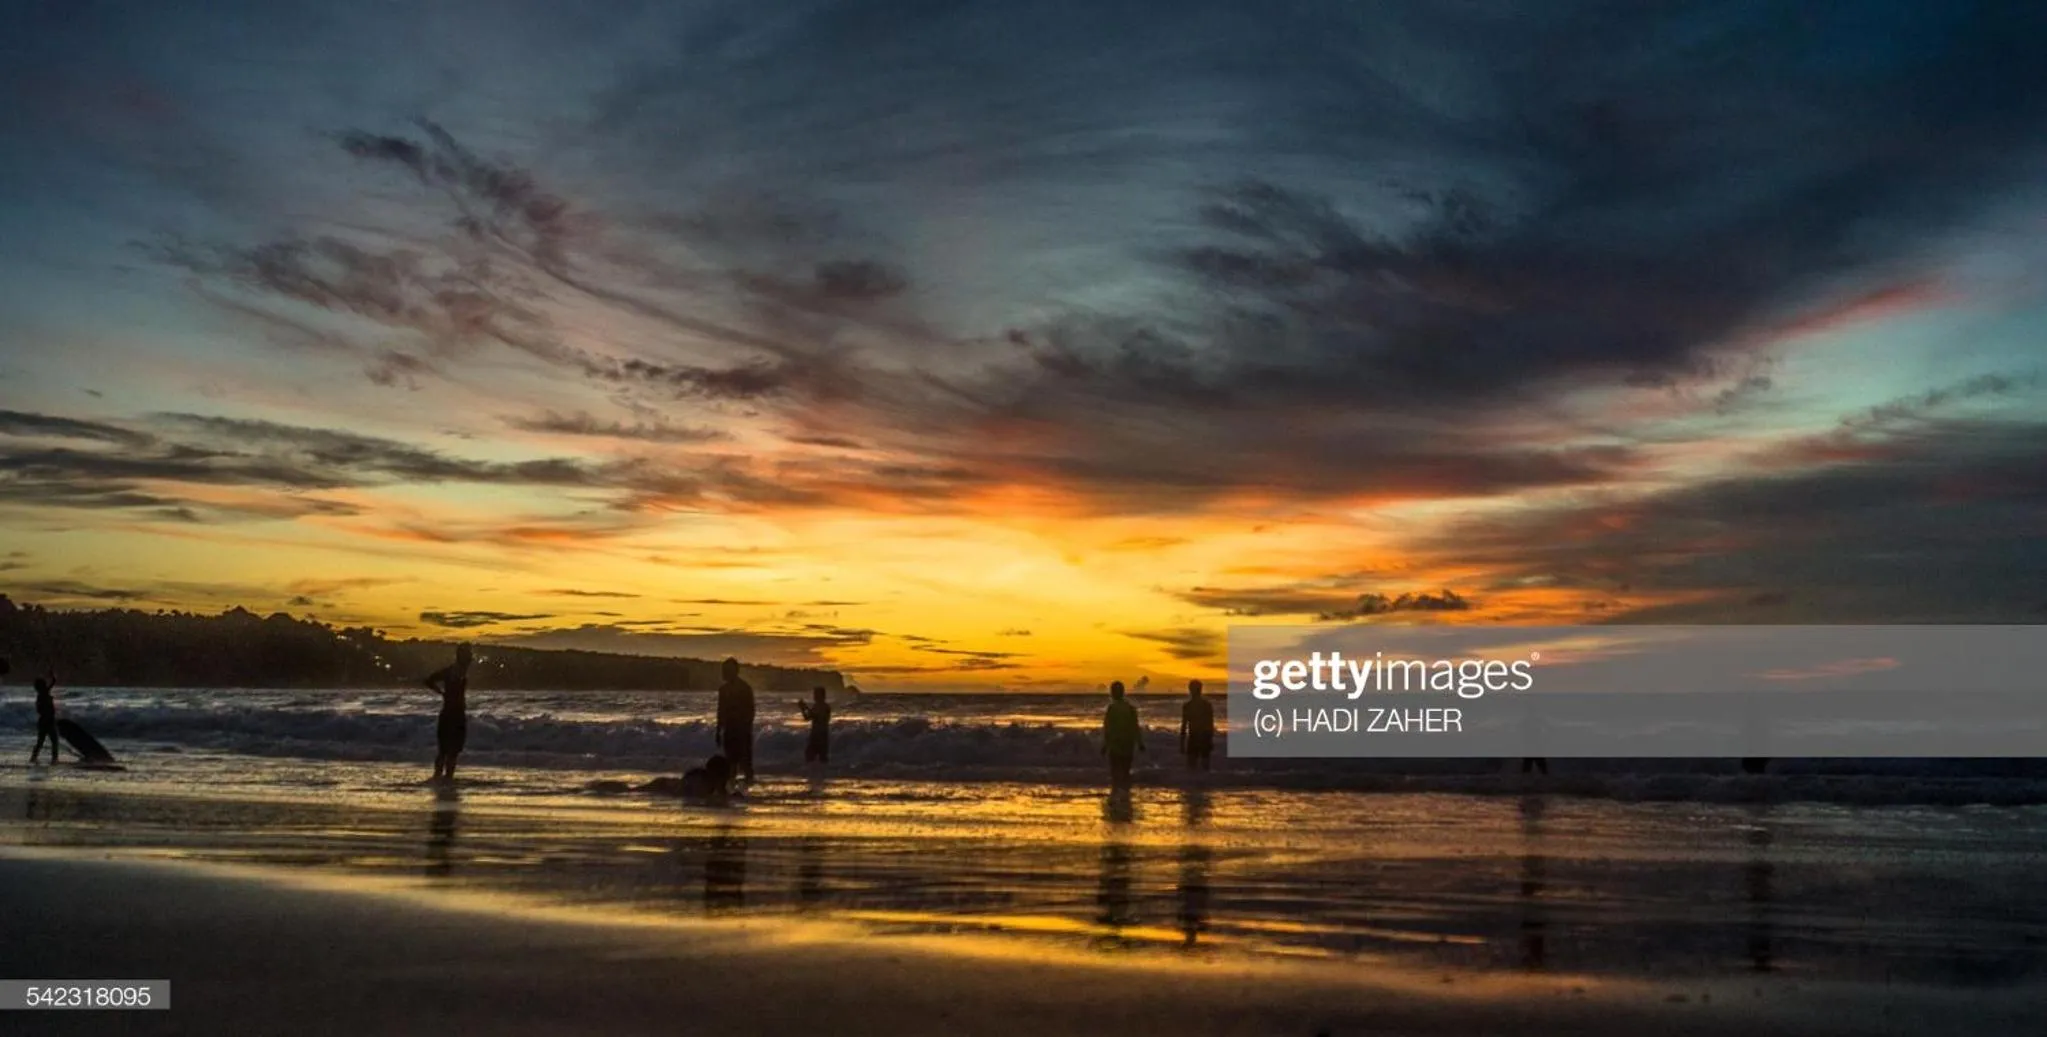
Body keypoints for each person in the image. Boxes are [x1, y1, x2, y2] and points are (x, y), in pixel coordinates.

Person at [422, 644, 473, 783]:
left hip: (448, 712)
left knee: (444, 750)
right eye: (468, 654)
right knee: (452, 750)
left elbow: (429, 680)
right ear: (462, 657)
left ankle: (439, 777)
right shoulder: (455, 671)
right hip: (455, 713)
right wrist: (442, 693)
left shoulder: (451, 671)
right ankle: (446, 778)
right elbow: (429, 680)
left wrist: (442, 693)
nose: (471, 657)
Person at [715, 657, 756, 784]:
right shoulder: (723, 690)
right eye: (723, 670)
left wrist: (746, 727)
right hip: (729, 729)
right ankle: (731, 788)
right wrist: (718, 730)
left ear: (735, 671)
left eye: (727, 670)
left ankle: (748, 789)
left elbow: (751, 710)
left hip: (742, 730)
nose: (724, 673)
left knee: (745, 763)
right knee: (730, 762)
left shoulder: (745, 688)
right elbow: (721, 710)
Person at [1102, 680, 1145, 787]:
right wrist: (1140, 743)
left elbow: (1108, 728)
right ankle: (1125, 794)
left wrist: (1105, 745)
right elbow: (1135, 727)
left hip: (1115, 744)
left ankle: (1117, 793)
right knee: (1126, 771)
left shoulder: (1111, 709)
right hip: (1128, 744)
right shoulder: (1130, 708)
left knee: (1115, 772)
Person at [30, 670, 66, 765]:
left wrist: (52, 677)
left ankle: (33, 758)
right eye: (44, 684)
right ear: (41, 686)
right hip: (48, 721)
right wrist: (53, 677)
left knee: (41, 742)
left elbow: (39, 710)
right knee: (54, 741)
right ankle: (54, 759)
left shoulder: (41, 694)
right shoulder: (43, 694)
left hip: (44, 721)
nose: (46, 685)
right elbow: (52, 683)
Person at [1178, 679, 1214, 771]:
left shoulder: (1188, 706)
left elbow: (1184, 726)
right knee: (1203, 766)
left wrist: (1182, 743)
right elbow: (1210, 724)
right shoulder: (1206, 705)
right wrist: (1210, 739)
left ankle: (1195, 783)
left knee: (1194, 766)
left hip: (1197, 737)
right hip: (1200, 737)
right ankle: (1202, 782)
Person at [798, 686, 831, 765]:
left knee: (821, 758)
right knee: (810, 756)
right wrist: (802, 709)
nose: (814, 696)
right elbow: (807, 718)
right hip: (815, 735)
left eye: (816, 694)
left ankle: (823, 773)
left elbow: (816, 717)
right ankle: (815, 773)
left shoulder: (825, 707)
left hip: (821, 735)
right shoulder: (816, 706)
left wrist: (805, 707)